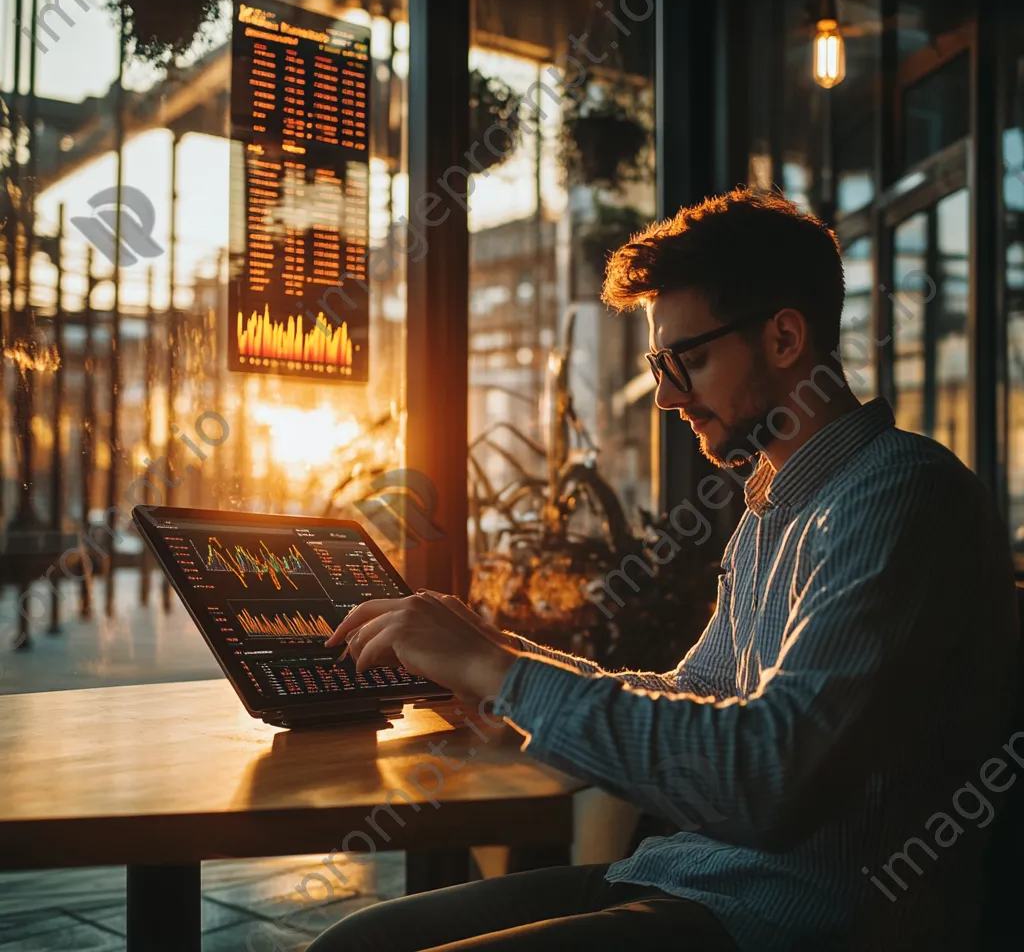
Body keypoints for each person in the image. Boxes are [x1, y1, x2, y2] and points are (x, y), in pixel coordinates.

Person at [307, 188, 1020, 951]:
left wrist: (500, 670)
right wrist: (500, 660)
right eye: (660, 363)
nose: (668, 397)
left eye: (690, 360)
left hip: (792, 920)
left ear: (784, 338)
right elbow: (697, 697)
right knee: (355, 942)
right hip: (692, 876)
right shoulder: (767, 511)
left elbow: (768, 781)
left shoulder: (902, 493)